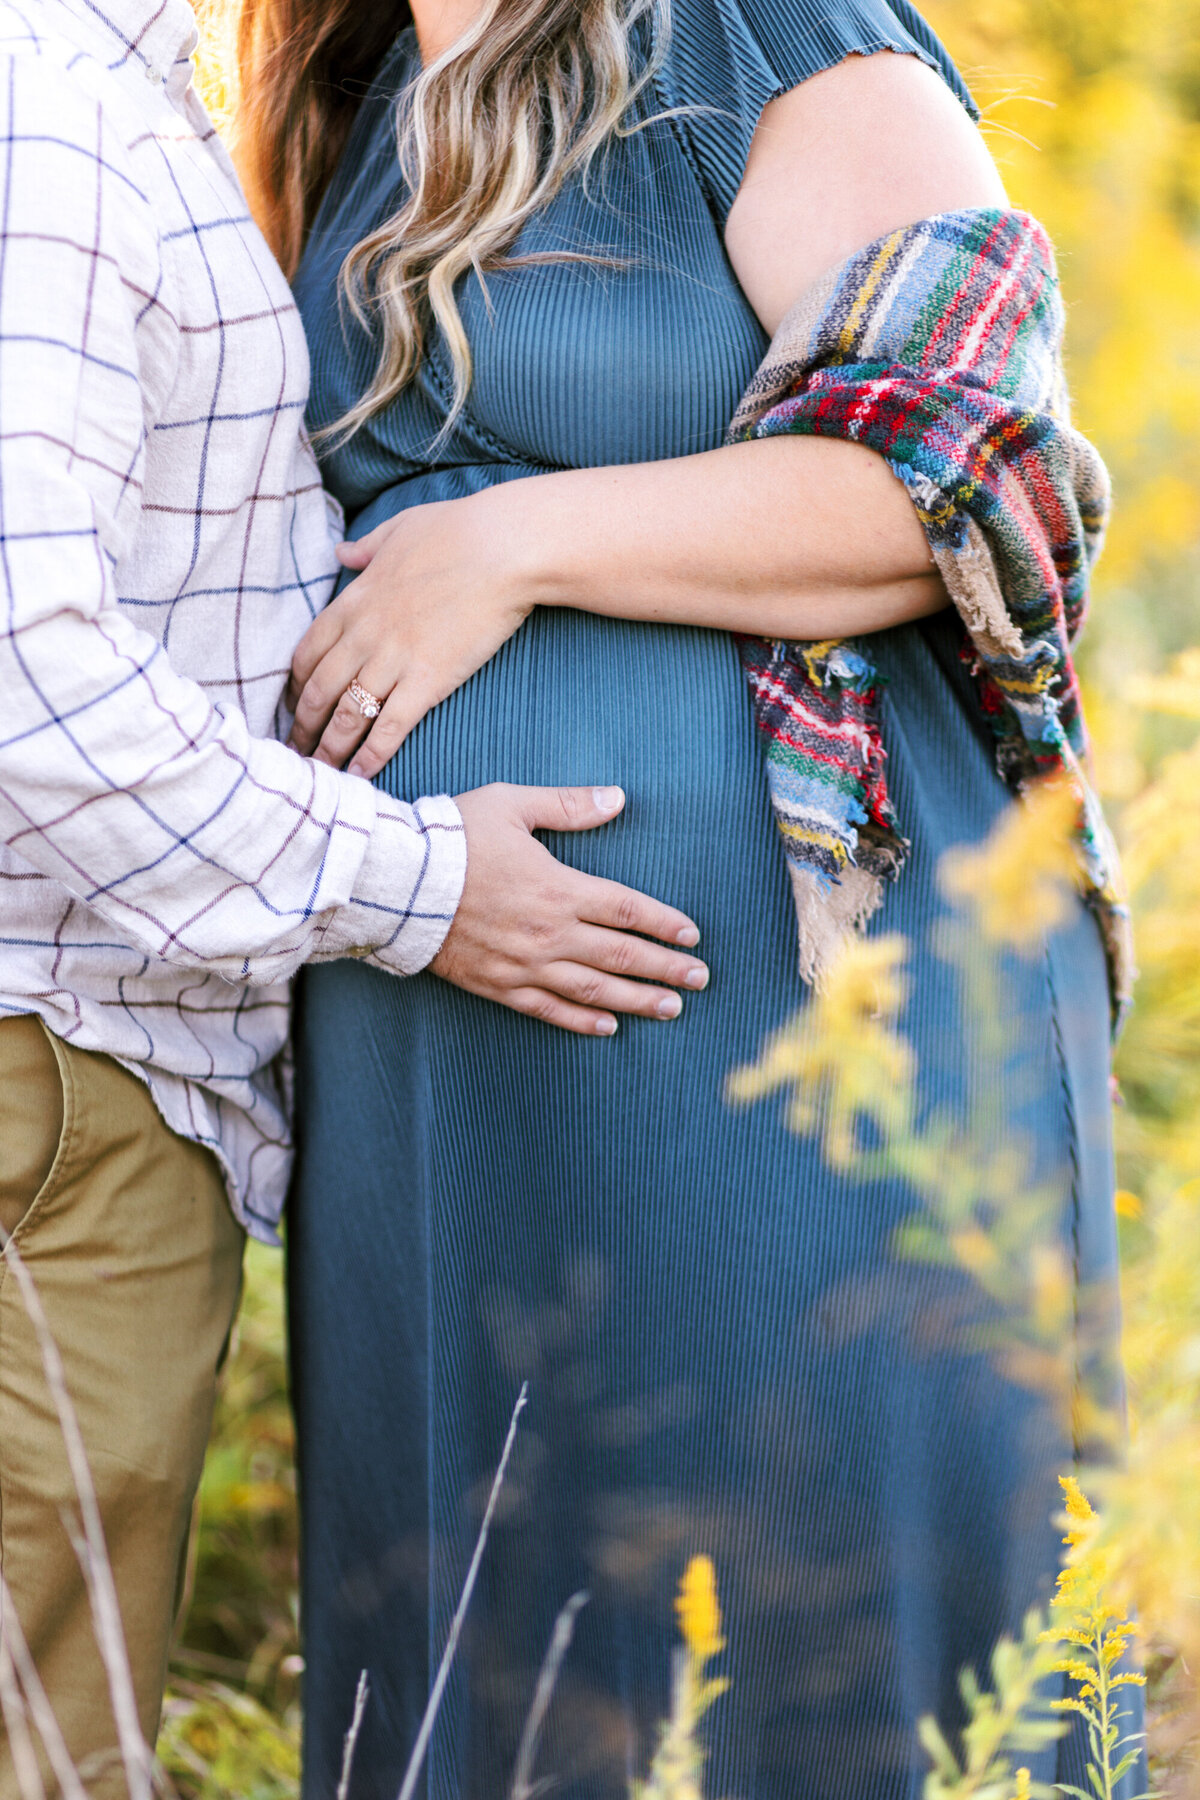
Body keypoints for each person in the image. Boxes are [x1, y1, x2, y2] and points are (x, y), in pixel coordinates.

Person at [244, 0, 1135, 1794]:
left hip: (798, 1019)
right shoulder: (347, 84)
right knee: (504, 1650)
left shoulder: (753, 30)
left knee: (816, 1614)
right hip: (447, 1045)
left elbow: (970, 472)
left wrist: (514, 542)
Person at [0, 2, 709, 1792]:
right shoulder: (53, 113)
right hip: (51, 1073)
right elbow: (23, 661)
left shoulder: (143, 101)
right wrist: (409, 885)